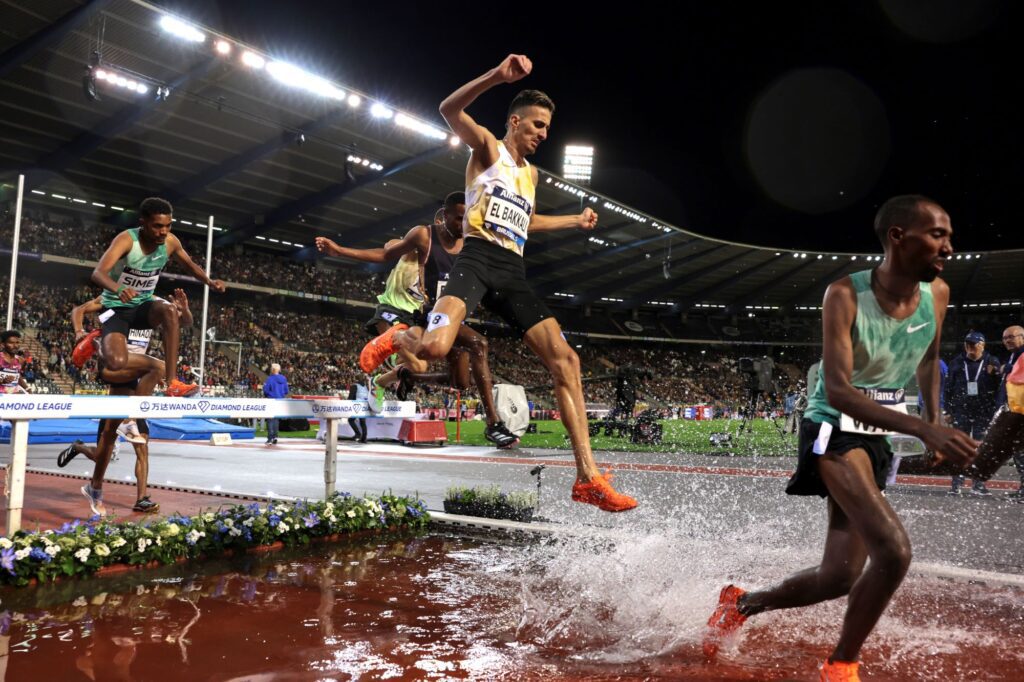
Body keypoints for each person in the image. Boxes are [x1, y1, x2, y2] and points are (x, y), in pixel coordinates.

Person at [704, 195, 978, 681]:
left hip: (879, 435)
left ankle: (741, 604)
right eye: (938, 235)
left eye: (949, 236)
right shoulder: (845, 295)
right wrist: (924, 428)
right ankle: (841, 664)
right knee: (893, 551)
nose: (949, 247)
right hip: (831, 428)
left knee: (838, 576)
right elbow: (839, 391)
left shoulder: (937, 293)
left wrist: (934, 420)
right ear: (898, 236)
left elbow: (928, 359)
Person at [358, 55, 636, 511]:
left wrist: (573, 220)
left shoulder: (531, 174)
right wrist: (496, 76)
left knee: (566, 360)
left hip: (512, 271)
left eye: (548, 128)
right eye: (538, 125)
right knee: (433, 350)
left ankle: (587, 477)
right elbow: (448, 109)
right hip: (476, 260)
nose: (544, 134)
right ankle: (400, 336)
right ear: (515, 121)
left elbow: (527, 220)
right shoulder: (488, 149)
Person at [315, 194, 518, 447]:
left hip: (447, 317)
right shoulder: (423, 237)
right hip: (417, 312)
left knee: (459, 382)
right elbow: (385, 253)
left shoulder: (471, 245)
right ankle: (493, 423)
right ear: (444, 216)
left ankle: (403, 377)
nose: (463, 223)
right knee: (478, 344)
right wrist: (339, 251)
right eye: (458, 218)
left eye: (467, 218)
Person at [75, 197, 226, 396]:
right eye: (157, 226)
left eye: (168, 225)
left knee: (169, 310)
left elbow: (189, 265)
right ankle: (98, 343)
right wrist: (118, 289)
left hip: (143, 306)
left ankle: (172, 383)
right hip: (116, 309)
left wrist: (209, 281)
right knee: (116, 362)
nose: (164, 231)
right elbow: (98, 273)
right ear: (143, 223)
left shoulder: (170, 241)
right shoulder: (126, 240)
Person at [63, 289, 195, 515]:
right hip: (114, 369)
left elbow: (184, 323)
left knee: (139, 445)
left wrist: (185, 310)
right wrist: (79, 332)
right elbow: (79, 310)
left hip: (138, 378)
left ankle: (139, 497)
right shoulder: (113, 297)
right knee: (103, 450)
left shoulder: (152, 303)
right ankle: (84, 452)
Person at [944, 331, 1000, 494]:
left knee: (981, 448)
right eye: (967, 343)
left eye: (973, 344)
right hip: (961, 410)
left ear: (982, 345)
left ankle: (978, 483)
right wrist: (947, 410)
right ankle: (956, 483)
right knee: (959, 446)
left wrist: (996, 410)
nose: (969, 347)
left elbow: (999, 388)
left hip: (984, 412)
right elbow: (947, 388)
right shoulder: (956, 362)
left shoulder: (992, 362)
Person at [998, 325, 1024, 498]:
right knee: (1018, 453)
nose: (1007, 340)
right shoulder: (1014, 356)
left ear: (1022, 337)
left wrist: (1009, 369)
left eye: (1011, 337)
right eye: (1005, 338)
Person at [263, 363, 289, 445]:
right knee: (276, 419)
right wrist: (281, 394)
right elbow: (286, 391)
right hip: (280, 400)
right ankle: (275, 437)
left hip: (271, 400)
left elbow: (266, 390)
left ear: (272, 370)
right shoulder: (283, 378)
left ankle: (270, 438)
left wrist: (268, 394)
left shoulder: (270, 378)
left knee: (270, 419)